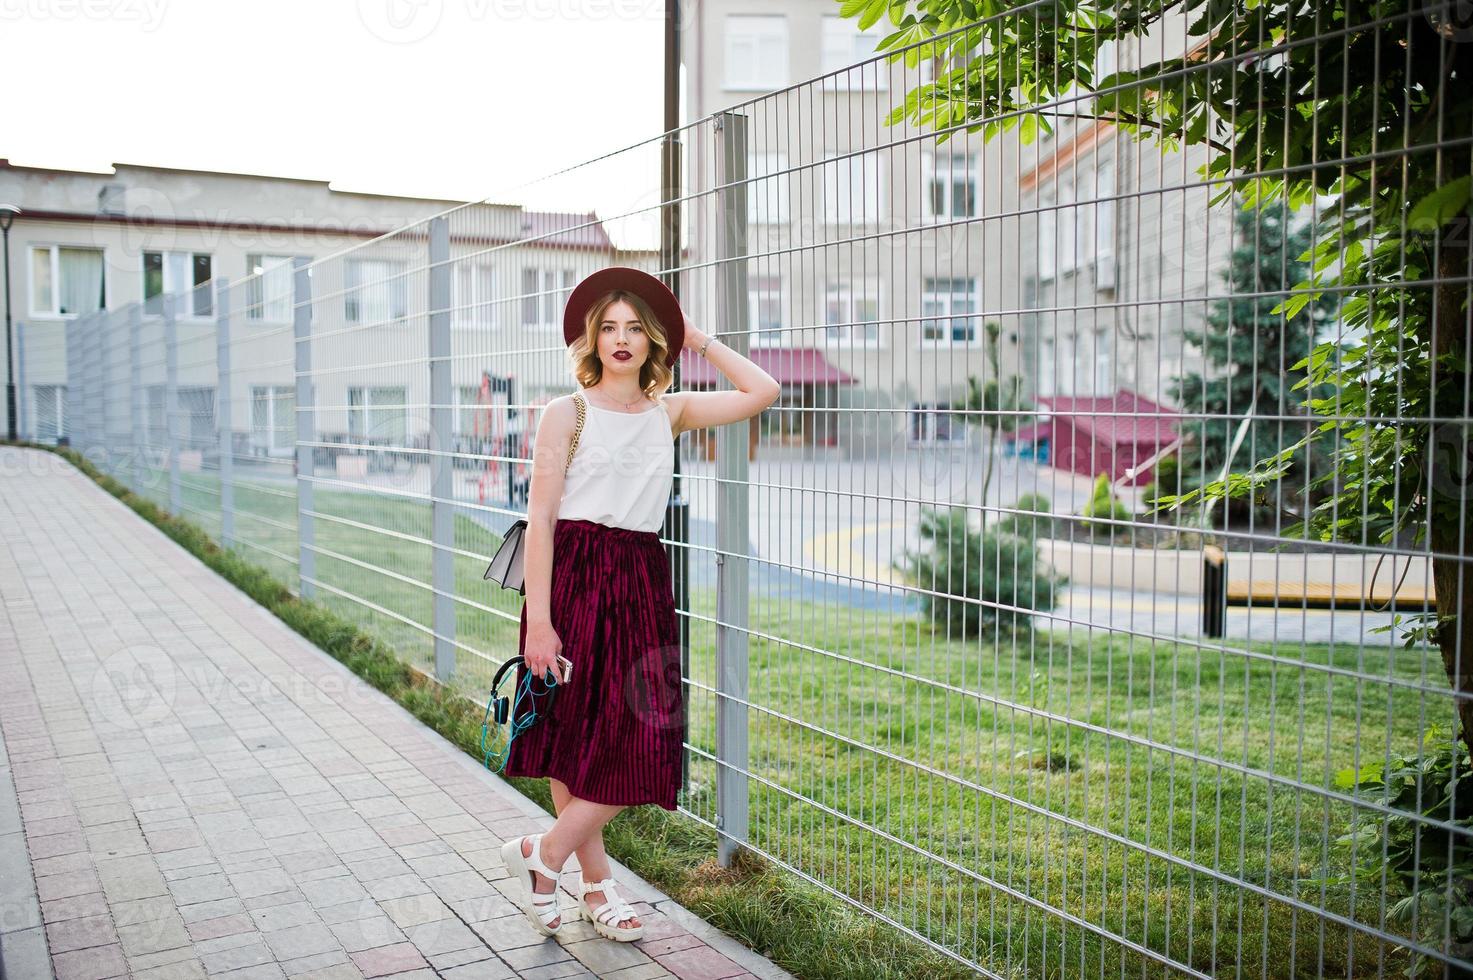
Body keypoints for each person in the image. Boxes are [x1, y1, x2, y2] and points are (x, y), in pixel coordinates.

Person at [499, 267, 780, 943]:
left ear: (653, 339)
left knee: (644, 738)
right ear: (590, 340)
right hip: (571, 578)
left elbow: (761, 391)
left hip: (639, 581)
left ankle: (545, 853)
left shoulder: (670, 410)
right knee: (572, 735)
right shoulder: (565, 414)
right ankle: (595, 887)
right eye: (607, 328)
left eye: (634, 328)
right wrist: (539, 621)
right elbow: (541, 521)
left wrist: (698, 337)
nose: (620, 340)